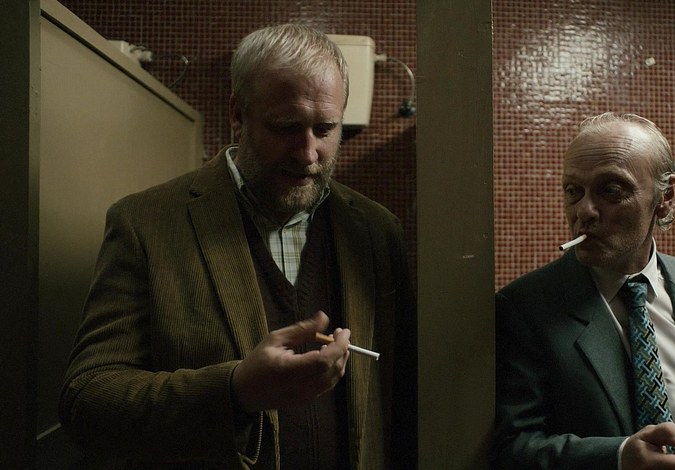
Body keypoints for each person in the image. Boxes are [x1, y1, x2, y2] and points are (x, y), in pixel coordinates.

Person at [60, 24, 416, 470]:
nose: (308, 153)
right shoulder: (145, 223)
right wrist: (236, 390)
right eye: (286, 127)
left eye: (325, 129)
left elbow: (403, 397)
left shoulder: (377, 231)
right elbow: (87, 400)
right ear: (237, 114)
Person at [492, 113, 675, 469]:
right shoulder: (525, 307)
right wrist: (619, 457)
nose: (584, 211)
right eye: (573, 191)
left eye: (611, 190)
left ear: (665, 197)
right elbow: (514, 446)